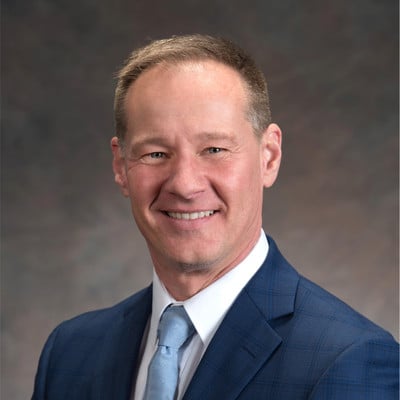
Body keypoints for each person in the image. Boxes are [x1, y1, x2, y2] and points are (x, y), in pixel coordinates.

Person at [32, 34, 398, 400]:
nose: (184, 184)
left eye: (214, 149)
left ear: (269, 156)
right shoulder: (70, 354)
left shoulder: (350, 360)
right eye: (156, 154)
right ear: (120, 165)